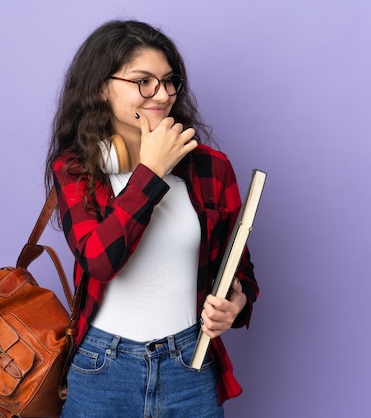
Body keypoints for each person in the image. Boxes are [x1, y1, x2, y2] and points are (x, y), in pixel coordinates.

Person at [45, 19, 259, 418]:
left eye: (168, 80)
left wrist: (237, 301)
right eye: (143, 81)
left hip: (189, 366)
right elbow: (100, 260)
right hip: (102, 367)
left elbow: (239, 268)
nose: (161, 94)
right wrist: (151, 172)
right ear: (100, 88)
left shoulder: (211, 169)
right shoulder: (76, 169)